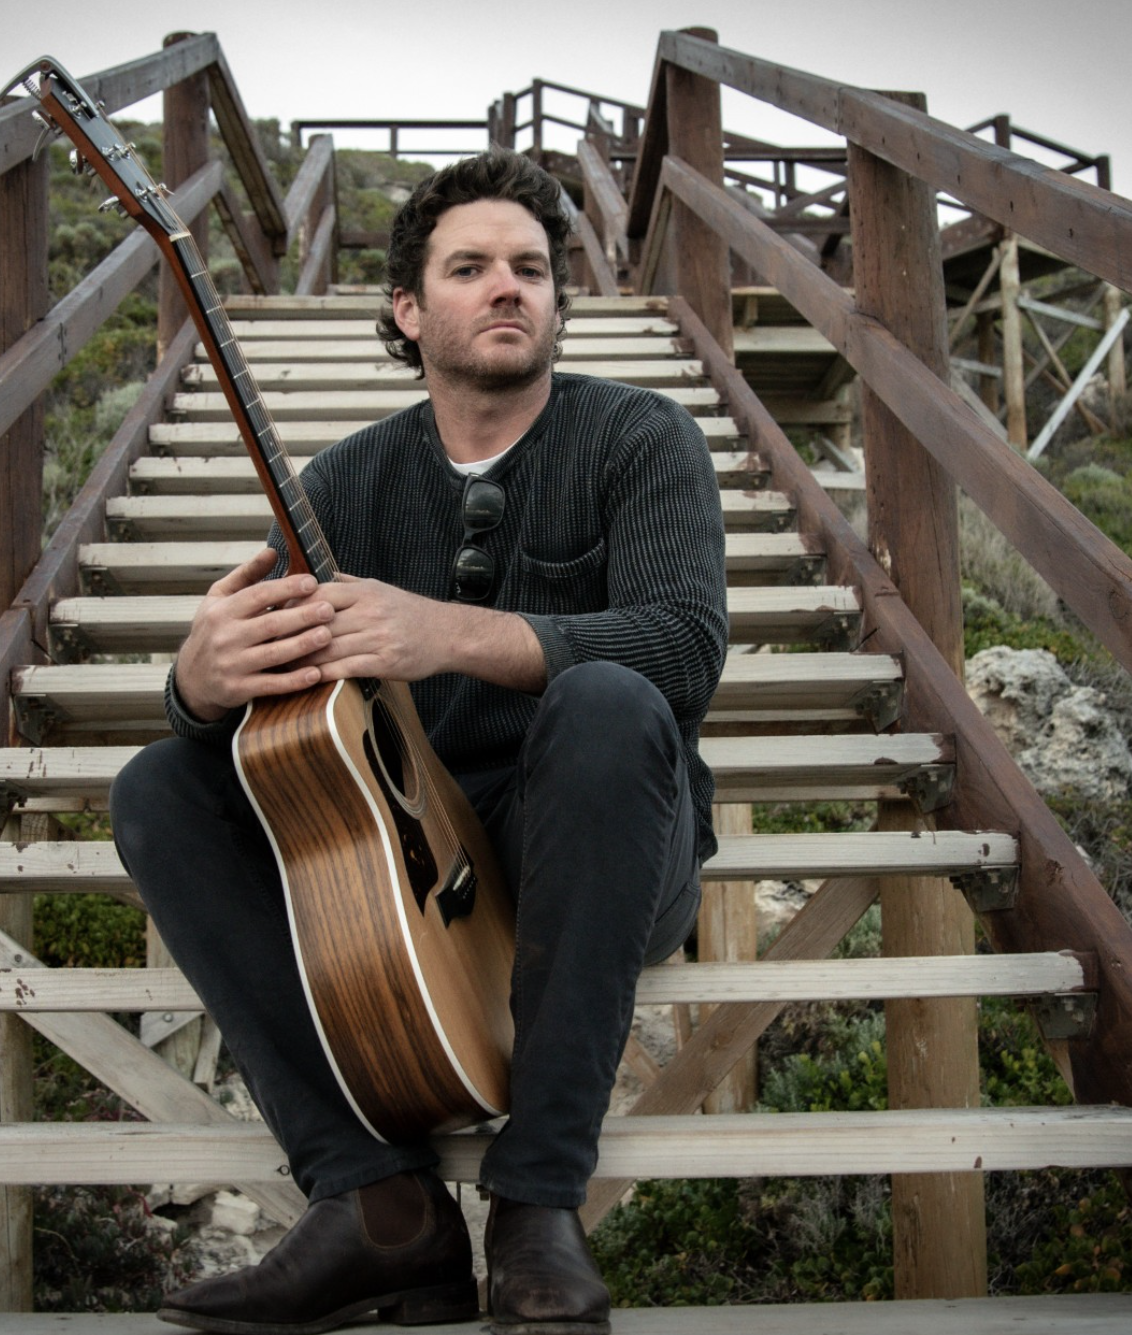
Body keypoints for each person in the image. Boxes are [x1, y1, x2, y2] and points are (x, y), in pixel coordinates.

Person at [110, 149, 729, 1335]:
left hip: (608, 848)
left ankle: (538, 1206)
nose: (510, 287)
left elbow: (681, 651)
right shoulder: (345, 483)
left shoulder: (645, 439)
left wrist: (447, 630)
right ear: (406, 310)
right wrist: (196, 683)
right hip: (415, 874)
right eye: (471, 267)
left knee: (606, 702)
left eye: (532, 269)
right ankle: (376, 1206)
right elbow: (274, 713)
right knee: (160, 785)